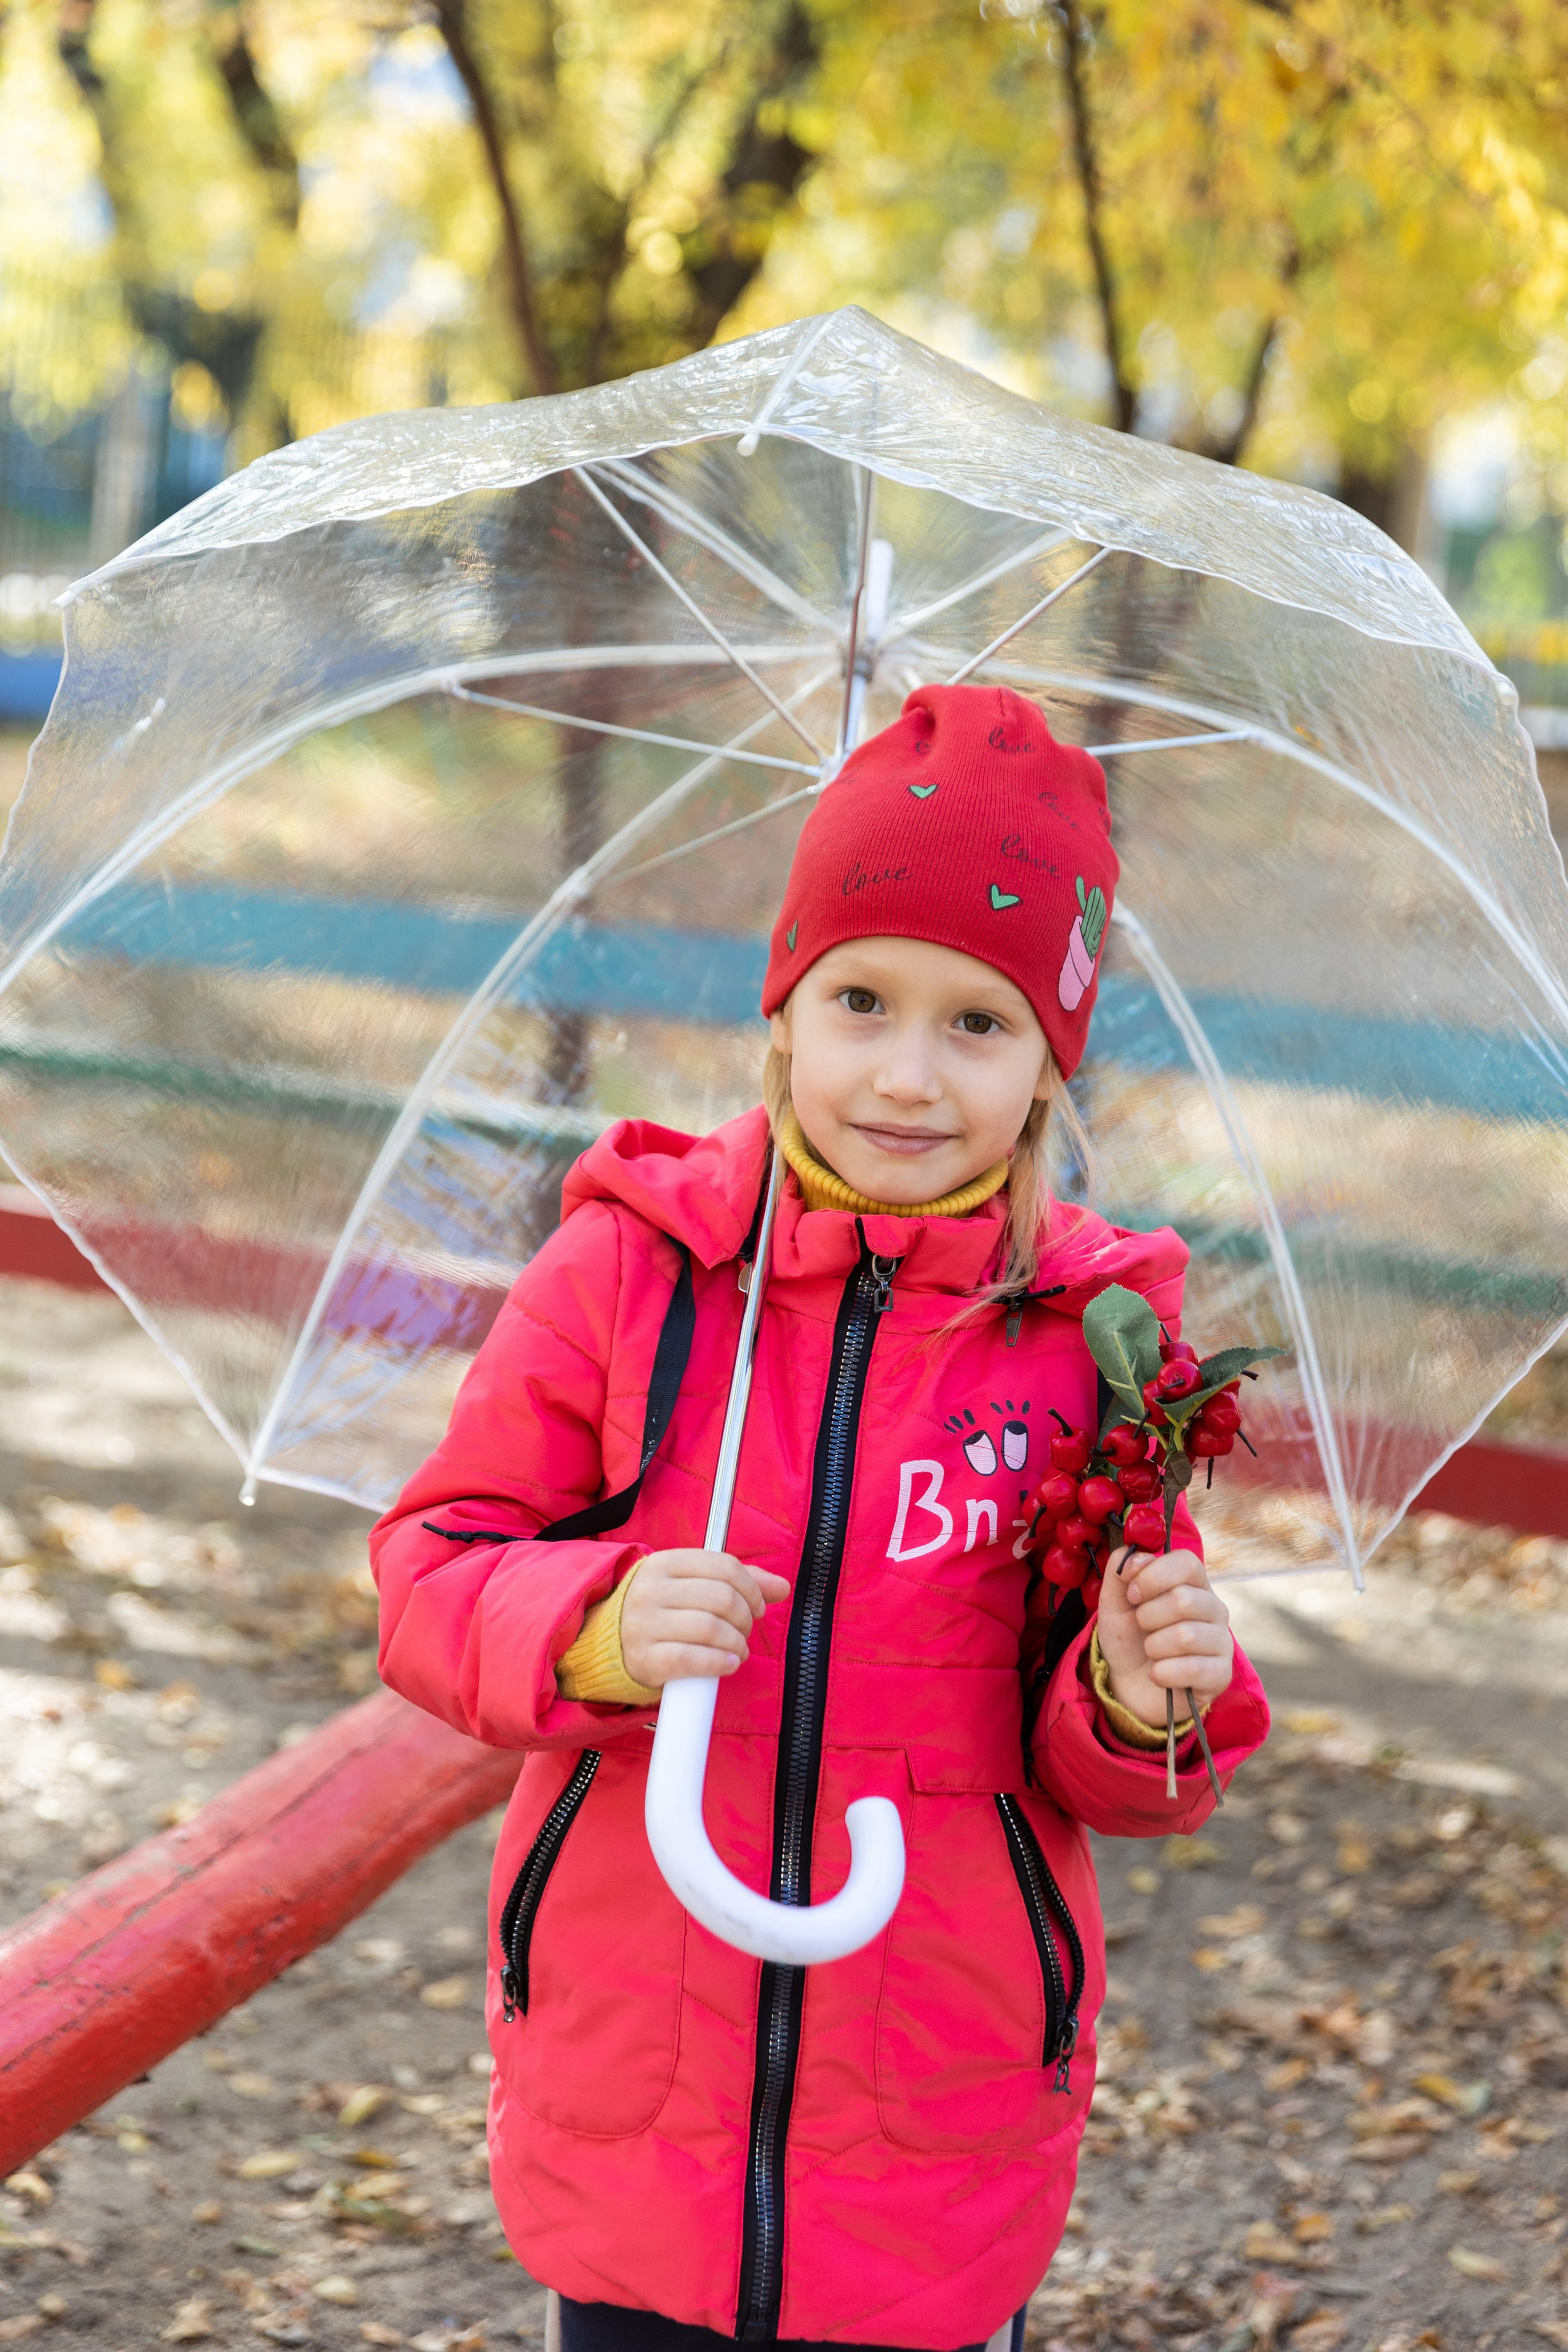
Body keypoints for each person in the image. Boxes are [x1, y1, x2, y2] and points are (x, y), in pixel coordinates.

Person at [371, 683, 1270, 2352]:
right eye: (861, 1000)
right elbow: (430, 1573)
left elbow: (1115, 1764)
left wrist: (1143, 1701)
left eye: (979, 1025)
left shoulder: (1096, 1343)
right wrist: (592, 1626)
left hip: (935, 2102)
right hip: (636, 2076)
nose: (908, 1075)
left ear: (1052, 1065)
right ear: (783, 1012)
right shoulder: (631, 1272)